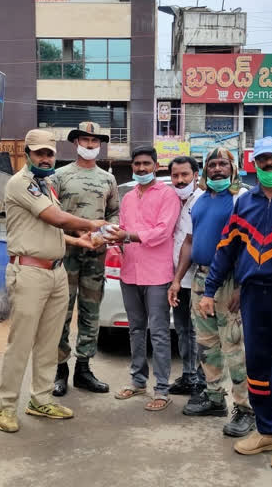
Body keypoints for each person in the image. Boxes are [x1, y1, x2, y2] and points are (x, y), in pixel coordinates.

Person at [199, 140, 272, 468]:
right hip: (252, 296)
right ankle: (266, 431)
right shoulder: (244, 202)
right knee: (258, 368)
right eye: (261, 160)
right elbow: (226, 250)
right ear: (253, 164)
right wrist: (209, 290)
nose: (268, 165)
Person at [0, 129, 106, 433]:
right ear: (28, 153)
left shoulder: (46, 186)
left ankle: (40, 399)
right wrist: (92, 223)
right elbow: (55, 218)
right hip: (29, 272)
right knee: (21, 342)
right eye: (39, 153)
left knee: (49, 341)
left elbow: (51, 228)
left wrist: (79, 242)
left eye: (49, 153)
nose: (45, 158)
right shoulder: (22, 183)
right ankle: (5, 406)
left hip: (56, 271)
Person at [169, 148, 256, 439]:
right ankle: (215, 398)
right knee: (207, 345)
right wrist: (177, 279)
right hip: (201, 278)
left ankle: (246, 410)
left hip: (230, 281)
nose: (217, 169)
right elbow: (189, 242)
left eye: (223, 164)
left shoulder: (241, 198)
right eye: (212, 164)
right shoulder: (200, 199)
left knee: (234, 347)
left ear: (234, 167)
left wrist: (243, 286)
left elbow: (251, 244)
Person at [108, 146, 180, 411]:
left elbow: (162, 231)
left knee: (159, 332)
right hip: (130, 272)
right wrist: (114, 241)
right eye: (137, 164)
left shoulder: (167, 194)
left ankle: (162, 389)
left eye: (146, 164)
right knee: (135, 329)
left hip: (158, 274)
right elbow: (123, 230)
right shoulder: (128, 198)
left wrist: (126, 237)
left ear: (156, 165)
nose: (140, 168)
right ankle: (138, 381)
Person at [51, 122, 119, 397]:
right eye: (85, 140)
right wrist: (76, 231)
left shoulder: (108, 179)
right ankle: (59, 370)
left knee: (91, 312)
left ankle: (83, 369)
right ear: (75, 142)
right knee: (61, 312)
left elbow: (114, 213)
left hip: (96, 254)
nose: (90, 145)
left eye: (95, 141)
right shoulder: (58, 176)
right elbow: (50, 216)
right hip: (65, 253)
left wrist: (106, 233)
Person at [167, 156, 205, 396]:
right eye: (175, 176)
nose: (180, 180)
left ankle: (203, 382)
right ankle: (189, 376)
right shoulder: (171, 200)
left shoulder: (202, 200)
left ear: (195, 175)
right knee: (183, 329)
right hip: (178, 280)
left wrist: (177, 278)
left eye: (185, 175)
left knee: (203, 332)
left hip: (198, 279)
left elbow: (191, 242)